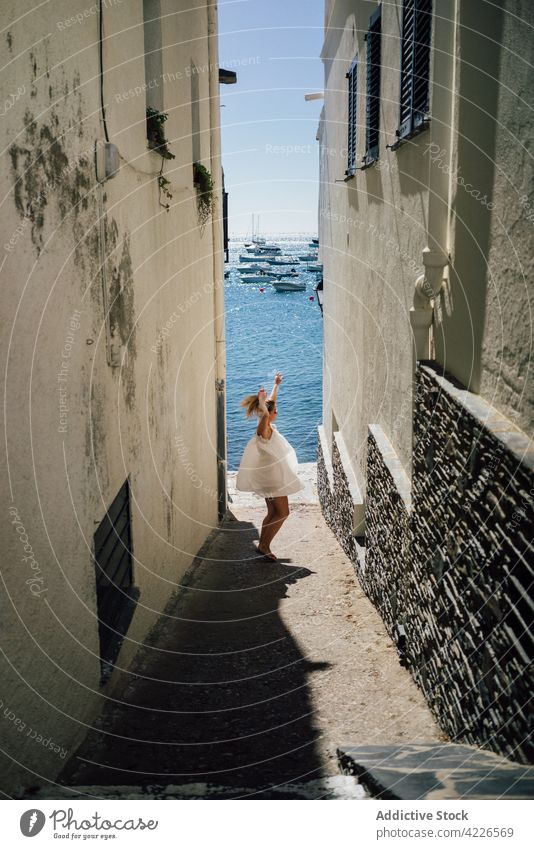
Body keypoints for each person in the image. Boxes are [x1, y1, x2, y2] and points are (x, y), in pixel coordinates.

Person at [236, 372, 303, 561]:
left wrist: (276, 385)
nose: (277, 413)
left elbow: (272, 402)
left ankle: (263, 544)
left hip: (270, 477)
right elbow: (267, 411)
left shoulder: (265, 423)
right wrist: (264, 405)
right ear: (267, 413)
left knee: (273, 512)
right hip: (274, 480)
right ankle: (265, 544)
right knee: (283, 513)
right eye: (274, 411)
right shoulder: (263, 427)